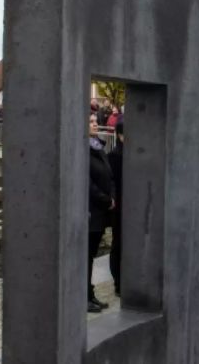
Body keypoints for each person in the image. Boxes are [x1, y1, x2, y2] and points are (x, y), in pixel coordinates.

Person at [87, 115, 115, 313]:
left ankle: (90, 294)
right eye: (90, 121)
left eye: (96, 121)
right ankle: (84, 296)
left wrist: (112, 195)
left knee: (91, 253)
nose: (96, 124)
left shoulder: (98, 147)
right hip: (90, 210)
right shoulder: (82, 150)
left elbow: (109, 175)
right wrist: (105, 199)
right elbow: (87, 184)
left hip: (101, 210)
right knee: (86, 256)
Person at [106, 123, 125, 297]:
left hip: (133, 206)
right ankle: (118, 281)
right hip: (120, 207)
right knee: (118, 244)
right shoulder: (113, 156)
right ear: (120, 136)